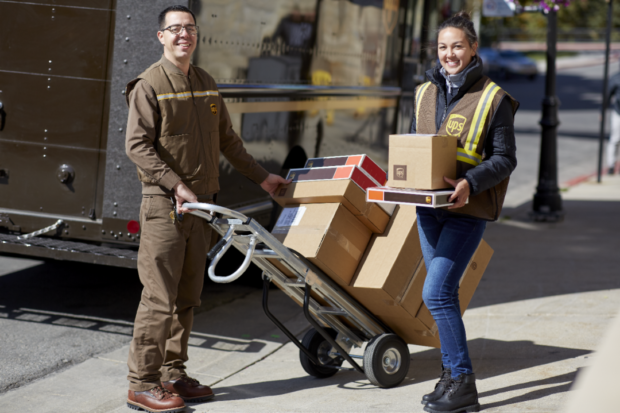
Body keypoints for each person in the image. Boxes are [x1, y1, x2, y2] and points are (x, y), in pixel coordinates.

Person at [124, 5, 289, 413]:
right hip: (166, 205)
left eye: (190, 28)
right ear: (160, 36)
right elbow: (137, 147)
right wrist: (175, 185)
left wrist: (262, 177)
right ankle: (142, 383)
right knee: (159, 297)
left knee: (187, 296)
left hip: (201, 207)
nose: (184, 34)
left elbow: (228, 140)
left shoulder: (206, 83)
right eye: (175, 29)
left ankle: (173, 374)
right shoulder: (149, 84)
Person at [411, 12, 518, 413]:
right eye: (443, 47)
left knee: (435, 293)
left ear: (473, 48)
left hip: (466, 210)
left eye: (457, 46)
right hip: (427, 211)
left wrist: (470, 182)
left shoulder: (495, 99)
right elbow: (415, 150)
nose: (449, 54)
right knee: (446, 296)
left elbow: (506, 159)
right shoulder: (424, 94)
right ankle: (450, 378)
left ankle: (464, 382)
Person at [607, 71, 620, 175]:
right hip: (617, 112)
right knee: (614, 139)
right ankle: (611, 165)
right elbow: (608, 94)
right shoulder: (616, 78)